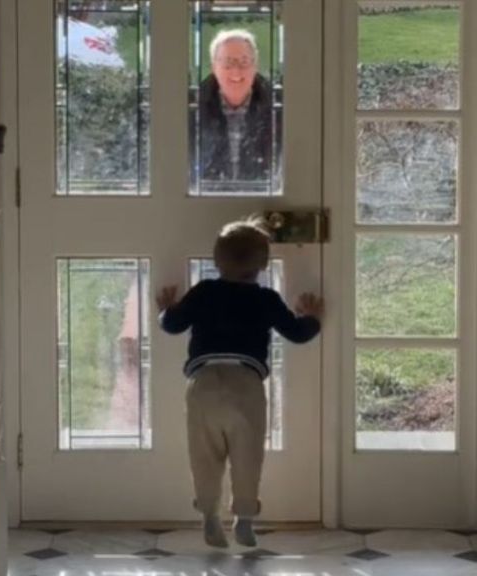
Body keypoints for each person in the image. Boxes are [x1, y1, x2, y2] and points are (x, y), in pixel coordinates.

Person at [156, 216, 322, 548]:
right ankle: (244, 519)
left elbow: (173, 325)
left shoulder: (203, 292)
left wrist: (166, 310)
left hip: (203, 384)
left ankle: (208, 516)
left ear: (216, 262)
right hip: (246, 385)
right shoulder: (266, 299)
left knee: (204, 455)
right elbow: (297, 334)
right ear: (262, 264)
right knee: (247, 456)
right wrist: (311, 318)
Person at [192, 29, 275, 187]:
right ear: (214, 67)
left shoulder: (278, 109)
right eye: (228, 63)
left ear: (255, 66)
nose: (236, 71)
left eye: (244, 62)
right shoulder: (192, 109)